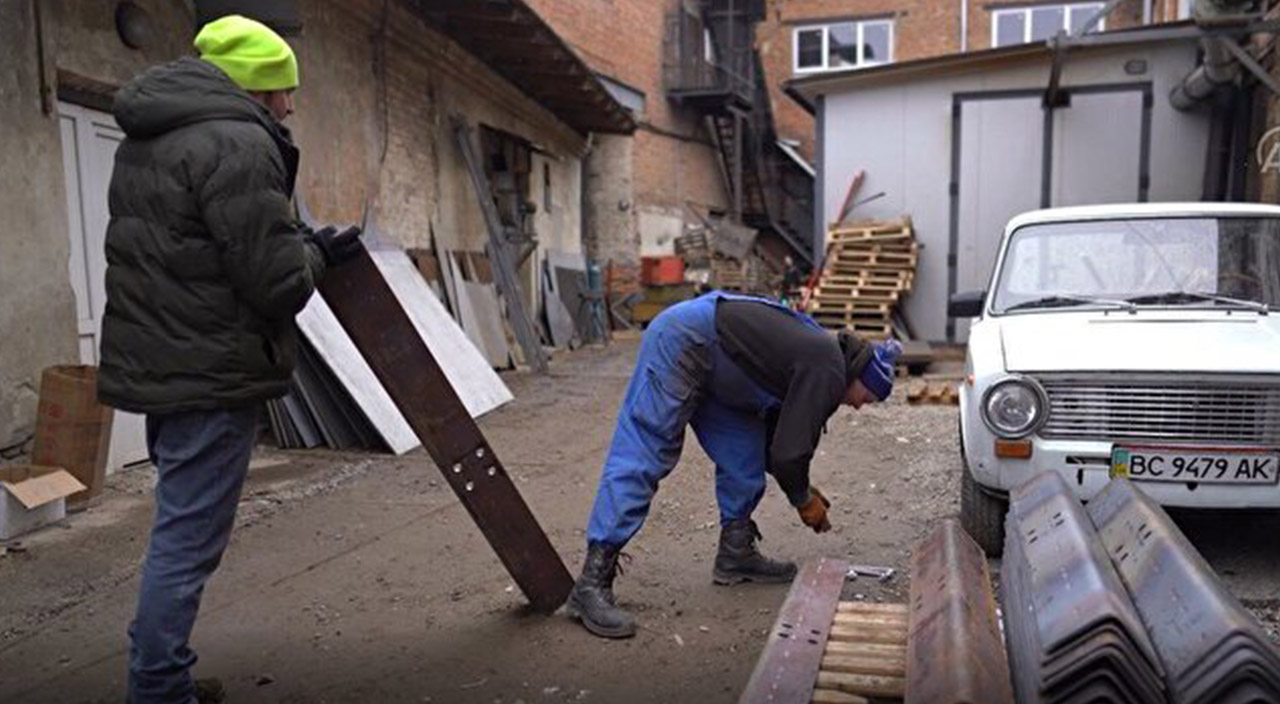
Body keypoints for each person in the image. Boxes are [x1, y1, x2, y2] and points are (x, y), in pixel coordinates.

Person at [97, 15, 361, 703]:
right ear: (254, 88)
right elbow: (278, 282)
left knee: (178, 526)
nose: (290, 105)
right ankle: (158, 689)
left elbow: (199, 249)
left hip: (164, 364)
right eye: (282, 90)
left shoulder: (151, 137)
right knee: (186, 542)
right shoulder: (238, 142)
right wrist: (317, 252)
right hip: (209, 372)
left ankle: (163, 678)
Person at [568, 291, 901, 638]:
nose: (862, 406)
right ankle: (592, 582)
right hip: (687, 338)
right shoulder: (828, 368)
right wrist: (801, 498)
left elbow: (779, 447)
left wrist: (802, 486)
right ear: (859, 378)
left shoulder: (825, 358)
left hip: (724, 366)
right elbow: (790, 453)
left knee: (745, 456)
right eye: (868, 397)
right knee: (647, 450)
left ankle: (735, 552)